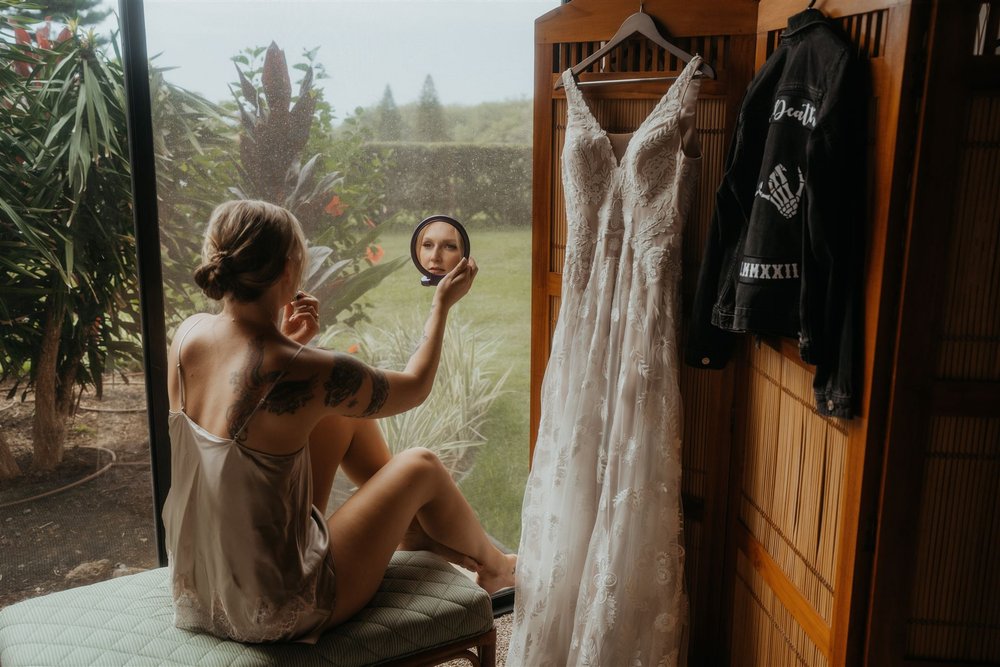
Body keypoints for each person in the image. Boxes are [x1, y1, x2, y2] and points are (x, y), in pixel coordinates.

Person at [162, 199, 516, 644]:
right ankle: (498, 569)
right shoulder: (305, 369)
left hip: (199, 587)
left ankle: (410, 530)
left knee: (337, 418)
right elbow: (415, 385)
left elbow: (242, 409)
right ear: (290, 270)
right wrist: (440, 305)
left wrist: (289, 341)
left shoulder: (188, 335)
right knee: (420, 464)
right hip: (274, 609)